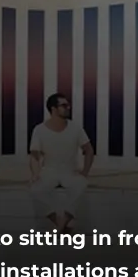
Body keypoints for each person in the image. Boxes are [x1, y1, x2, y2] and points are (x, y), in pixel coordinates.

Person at [29, 93, 94, 233]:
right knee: (35, 189)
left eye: (68, 105)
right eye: (64, 105)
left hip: (70, 171)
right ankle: (59, 222)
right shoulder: (39, 130)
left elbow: (88, 150)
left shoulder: (75, 128)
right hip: (49, 171)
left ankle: (62, 223)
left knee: (81, 184)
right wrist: (35, 174)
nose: (68, 108)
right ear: (53, 109)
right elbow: (34, 155)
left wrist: (85, 172)